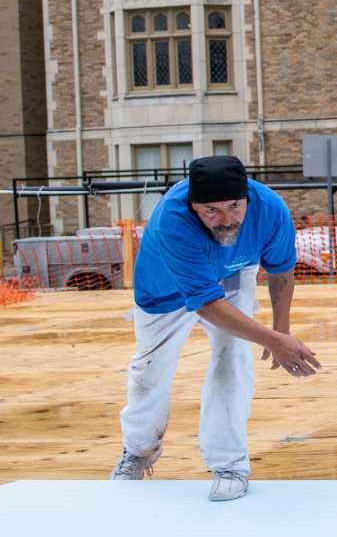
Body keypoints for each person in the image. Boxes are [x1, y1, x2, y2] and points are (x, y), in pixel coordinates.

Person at [111, 155, 321, 501]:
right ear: (193, 205)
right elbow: (207, 304)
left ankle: (230, 465)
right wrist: (271, 339)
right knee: (150, 371)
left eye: (234, 208)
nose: (226, 220)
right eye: (212, 211)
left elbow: (281, 272)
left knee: (232, 358)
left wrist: (280, 330)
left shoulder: (269, 208)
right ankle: (137, 451)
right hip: (165, 288)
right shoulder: (172, 220)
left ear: (247, 200)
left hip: (232, 273)